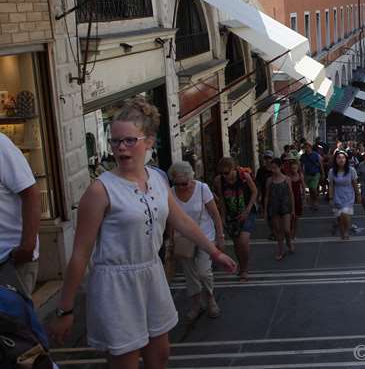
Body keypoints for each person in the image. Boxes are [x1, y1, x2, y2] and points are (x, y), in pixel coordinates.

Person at [49, 97, 236, 367]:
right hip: (116, 284)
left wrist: (214, 251)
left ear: (148, 141)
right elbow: (79, 254)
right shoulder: (100, 191)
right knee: (125, 363)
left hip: (151, 273)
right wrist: (65, 309)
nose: (120, 148)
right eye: (115, 141)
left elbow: (181, 220)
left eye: (129, 141)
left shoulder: (158, 179)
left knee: (159, 356)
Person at [167, 161, 225, 320]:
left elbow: (215, 213)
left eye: (184, 183)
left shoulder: (202, 188)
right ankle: (196, 303)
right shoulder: (171, 193)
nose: (182, 187)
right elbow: (171, 219)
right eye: (177, 184)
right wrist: (171, 241)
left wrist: (220, 236)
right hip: (183, 239)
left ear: (190, 178)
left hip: (205, 235)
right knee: (190, 274)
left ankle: (210, 298)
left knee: (203, 271)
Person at [0, 132, 41, 297]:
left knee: (14, 321)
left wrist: (26, 247)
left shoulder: (1, 145)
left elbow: (30, 193)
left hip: (10, 261)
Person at [214, 157, 258, 282]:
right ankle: (241, 266)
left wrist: (247, 210)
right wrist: (222, 216)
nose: (225, 176)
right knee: (237, 243)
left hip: (247, 212)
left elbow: (254, 192)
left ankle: (244, 270)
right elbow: (222, 200)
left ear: (234, 169)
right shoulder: (219, 181)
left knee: (243, 240)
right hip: (231, 214)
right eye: (222, 173)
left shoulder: (244, 177)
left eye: (227, 173)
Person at [264, 157, 295, 260]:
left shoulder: (287, 179)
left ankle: (289, 241)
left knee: (286, 229)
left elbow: (291, 194)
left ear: (280, 167)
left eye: (275, 168)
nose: (273, 170)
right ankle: (280, 250)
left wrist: (293, 209)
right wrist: (265, 210)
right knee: (278, 230)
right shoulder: (269, 180)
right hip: (274, 207)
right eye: (271, 168)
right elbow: (267, 196)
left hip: (285, 206)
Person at [329, 151, 360, 240]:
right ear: (335, 160)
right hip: (337, 196)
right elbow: (331, 185)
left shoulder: (351, 170)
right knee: (339, 217)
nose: (341, 160)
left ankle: (346, 230)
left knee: (345, 214)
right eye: (338, 158)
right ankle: (342, 231)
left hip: (349, 196)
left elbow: (355, 183)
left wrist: (358, 195)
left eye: (343, 158)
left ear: (346, 159)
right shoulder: (332, 171)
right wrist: (330, 198)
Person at [285, 155, 305, 242]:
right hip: (289, 199)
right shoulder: (287, 177)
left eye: (295, 168)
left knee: (296, 218)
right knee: (290, 218)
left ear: (297, 168)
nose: (294, 169)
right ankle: (289, 233)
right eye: (292, 168)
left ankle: (294, 235)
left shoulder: (300, 175)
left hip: (298, 199)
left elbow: (303, 186)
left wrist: (304, 197)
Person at [299, 142, 322, 211]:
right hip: (307, 174)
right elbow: (301, 165)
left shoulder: (315, 155)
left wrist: (322, 173)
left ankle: (316, 202)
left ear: (310, 147)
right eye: (305, 147)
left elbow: (320, 164)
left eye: (308, 147)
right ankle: (312, 202)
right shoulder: (303, 156)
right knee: (311, 190)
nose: (306, 148)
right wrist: (301, 173)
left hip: (315, 173)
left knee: (313, 188)